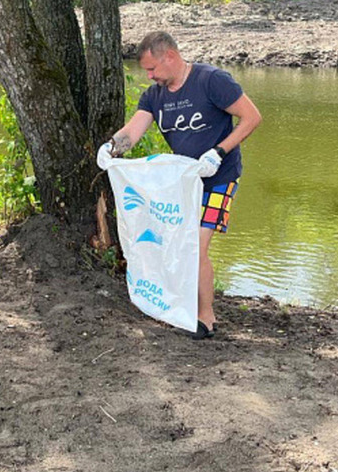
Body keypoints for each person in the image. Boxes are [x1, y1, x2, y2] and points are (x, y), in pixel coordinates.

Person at [103, 30, 261, 339]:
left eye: (152, 69)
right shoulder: (155, 96)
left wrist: (219, 152)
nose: (150, 77)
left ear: (170, 57)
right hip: (185, 184)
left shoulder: (211, 80)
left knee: (196, 248)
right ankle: (183, 303)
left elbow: (252, 118)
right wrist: (110, 148)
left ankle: (206, 317)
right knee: (181, 246)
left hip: (219, 177)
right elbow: (133, 131)